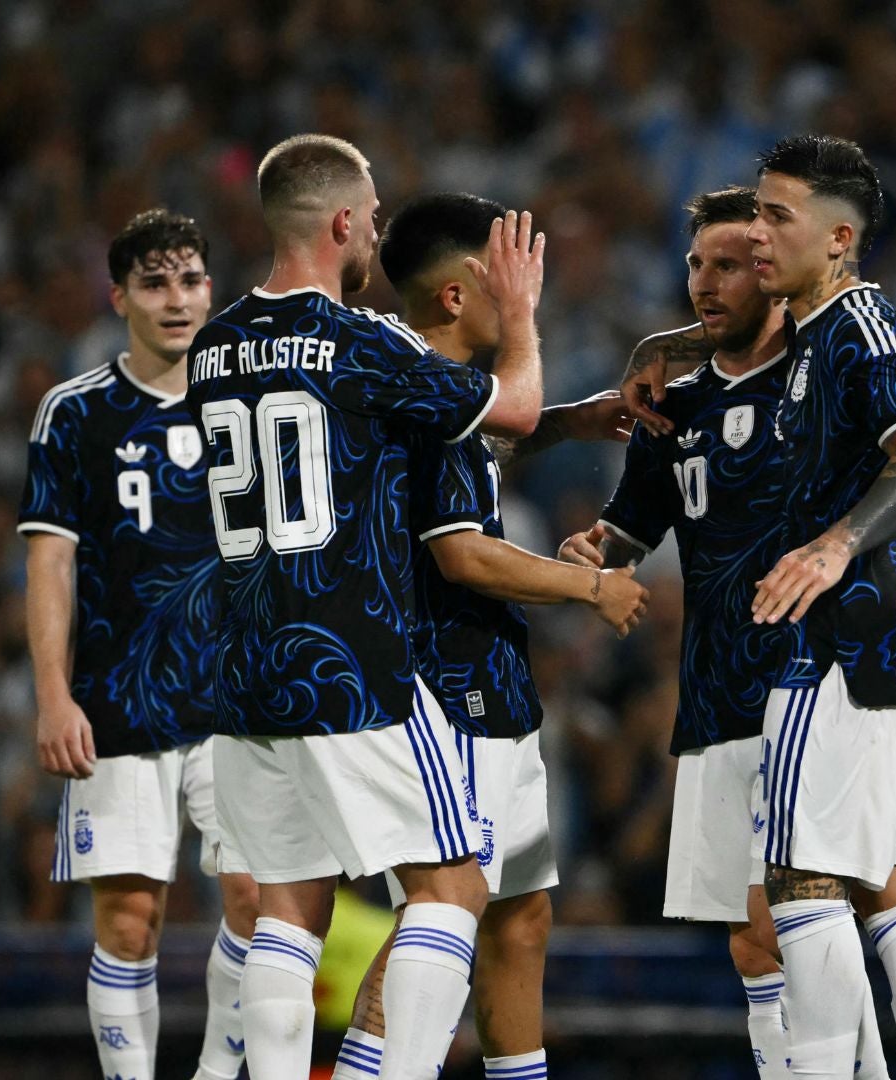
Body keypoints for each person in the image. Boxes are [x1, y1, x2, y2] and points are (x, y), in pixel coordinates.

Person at [574, 184, 896, 1080]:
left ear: (774, 269)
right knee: (761, 943)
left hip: (814, 673)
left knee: (841, 901)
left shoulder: (834, 359)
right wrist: (595, 551)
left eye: (732, 262)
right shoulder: (671, 407)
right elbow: (631, 529)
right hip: (721, 688)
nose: (708, 281)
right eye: (697, 263)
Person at [184, 134, 544, 1080]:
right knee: (453, 884)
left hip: (244, 664)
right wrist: (525, 317)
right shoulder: (361, 339)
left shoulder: (213, 344)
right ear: (342, 222)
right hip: (353, 660)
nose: (376, 233)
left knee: (289, 910)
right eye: (372, 216)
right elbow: (509, 411)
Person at [329, 190, 650, 1080]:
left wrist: (567, 422)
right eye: (510, 269)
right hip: (442, 683)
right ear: (461, 293)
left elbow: (473, 452)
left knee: (517, 917)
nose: (526, 287)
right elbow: (464, 554)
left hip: (487, 677)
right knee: (442, 912)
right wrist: (590, 584)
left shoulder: (440, 395)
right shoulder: (435, 388)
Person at [742, 134, 896, 1080]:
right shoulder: (828, 331)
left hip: (840, 648)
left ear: (839, 238)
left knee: (802, 887)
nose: (757, 233)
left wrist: (835, 543)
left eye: (774, 216)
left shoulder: (851, 326)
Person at [18, 208, 259, 1080]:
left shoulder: (250, 402)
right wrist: (53, 694)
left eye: (192, 280)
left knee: (259, 901)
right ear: (119, 295)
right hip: (121, 701)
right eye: (156, 282)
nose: (178, 299)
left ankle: (218, 1075)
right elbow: (51, 563)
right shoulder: (74, 413)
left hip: (240, 698)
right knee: (129, 920)